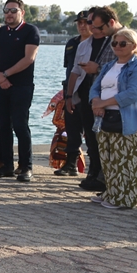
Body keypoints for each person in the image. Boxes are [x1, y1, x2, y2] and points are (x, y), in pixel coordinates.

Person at [88, 29, 137, 209]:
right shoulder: (109, 66)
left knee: (123, 160)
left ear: (133, 45)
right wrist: (95, 102)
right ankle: (111, 192)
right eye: (115, 43)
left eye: (123, 44)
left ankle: (125, 198)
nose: (118, 47)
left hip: (125, 119)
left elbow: (131, 94)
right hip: (104, 117)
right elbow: (95, 86)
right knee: (107, 159)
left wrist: (103, 103)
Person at [0, 0, 41, 182]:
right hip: (1, 85)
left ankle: (26, 166)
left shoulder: (30, 31)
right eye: (6, 10)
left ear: (22, 12)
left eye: (13, 10)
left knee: (20, 125)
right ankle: (7, 165)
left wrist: (6, 74)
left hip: (21, 86)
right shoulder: (1, 32)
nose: (9, 14)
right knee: (2, 126)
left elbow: (29, 58)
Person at [73, 6, 121, 192]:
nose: (94, 29)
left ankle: (107, 181)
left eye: (97, 26)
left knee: (109, 142)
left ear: (110, 22)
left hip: (113, 100)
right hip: (95, 95)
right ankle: (96, 174)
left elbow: (129, 66)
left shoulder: (123, 38)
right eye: (91, 24)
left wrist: (98, 69)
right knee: (94, 138)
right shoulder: (100, 40)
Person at [57, 12, 94, 175]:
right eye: (79, 23)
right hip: (72, 89)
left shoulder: (98, 43)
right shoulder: (72, 43)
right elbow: (69, 68)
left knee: (91, 131)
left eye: (85, 22)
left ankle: (94, 168)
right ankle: (70, 164)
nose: (82, 26)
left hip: (90, 89)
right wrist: (67, 93)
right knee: (72, 128)